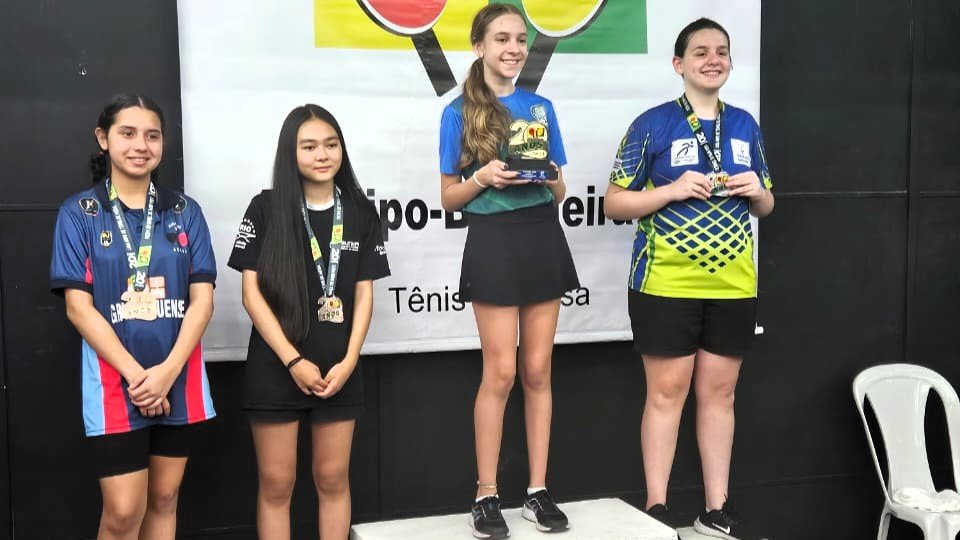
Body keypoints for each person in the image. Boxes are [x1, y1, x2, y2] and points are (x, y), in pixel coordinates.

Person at [604, 17, 774, 540]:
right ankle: (656, 508)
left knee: (720, 395)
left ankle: (715, 509)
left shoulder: (745, 124)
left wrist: (757, 192)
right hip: (664, 284)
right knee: (666, 394)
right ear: (679, 64)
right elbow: (614, 203)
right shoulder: (652, 124)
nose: (712, 59)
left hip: (733, 285)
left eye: (721, 51)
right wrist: (671, 190)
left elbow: (767, 204)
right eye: (700, 52)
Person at [438, 3, 580, 538]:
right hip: (493, 240)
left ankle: (538, 491)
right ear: (479, 47)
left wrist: (546, 174)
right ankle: (486, 494)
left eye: (520, 39)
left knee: (538, 370)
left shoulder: (541, 107)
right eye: (501, 39)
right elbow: (448, 196)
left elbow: (560, 189)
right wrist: (485, 179)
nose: (513, 49)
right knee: (500, 372)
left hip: (541, 233)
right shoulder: (458, 112)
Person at [50, 93, 217, 540]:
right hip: (114, 383)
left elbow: (202, 302)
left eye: (152, 135)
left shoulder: (185, 212)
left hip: (177, 377)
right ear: (103, 139)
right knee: (124, 513)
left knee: (164, 500)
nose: (141, 145)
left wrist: (167, 373)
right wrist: (140, 379)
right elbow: (77, 308)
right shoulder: (79, 214)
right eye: (127, 133)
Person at [228, 104, 390, 540]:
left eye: (331, 145)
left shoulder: (361, 212)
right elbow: (250, 294)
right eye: (309, 146)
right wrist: (292, 361)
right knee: (277, 484)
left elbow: (364, 294)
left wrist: (350, 360)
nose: (322, 155)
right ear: (291, 152)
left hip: (339, 371)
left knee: (333, 479)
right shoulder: (265, 208)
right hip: (276, 368)